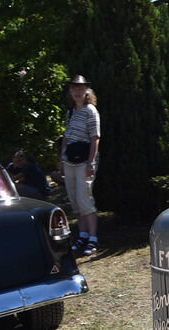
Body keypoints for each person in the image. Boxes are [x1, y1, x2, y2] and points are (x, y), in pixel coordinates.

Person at [62, 74, 100, 256]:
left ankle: (93, 238)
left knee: (84, 199)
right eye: (74, 88)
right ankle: (82, 235)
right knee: (75, 201)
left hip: (84, 161)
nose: (77, 91)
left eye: (80, 88)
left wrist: (91, 162)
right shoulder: (70, 112)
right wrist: (61, 160)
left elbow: (95, 138)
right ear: (70, 91)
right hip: (69, 161)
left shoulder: (90, 111)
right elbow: (66, 137)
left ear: (86, 91)